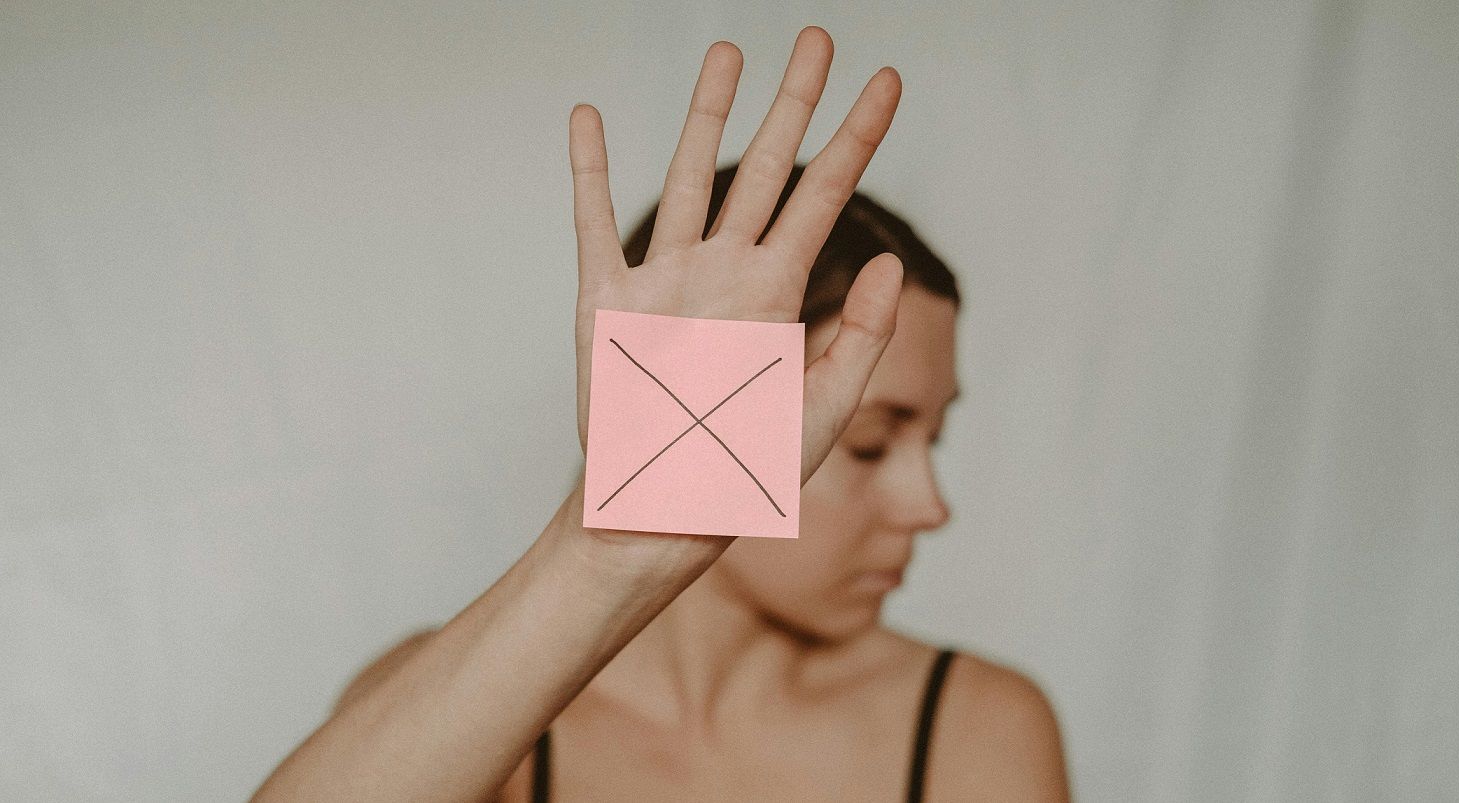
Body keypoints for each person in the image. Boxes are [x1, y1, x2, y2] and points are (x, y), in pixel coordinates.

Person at [253, 26, 1068, 802]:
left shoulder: (975, 726)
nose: (930, 507)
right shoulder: (467, 713)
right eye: (868, 443)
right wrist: (603, 556)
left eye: (935, 436)